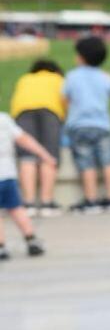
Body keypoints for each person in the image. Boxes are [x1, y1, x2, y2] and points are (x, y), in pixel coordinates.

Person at [62, 35, 110, 213]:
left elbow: (63, 98)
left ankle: (91, 200)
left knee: (86, 163)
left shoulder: (72, 76)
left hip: (79, 126)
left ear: (81, 57)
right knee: (108, 161)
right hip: (102, 125)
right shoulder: (104, 76)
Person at [10, 59, 66, 216]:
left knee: (27, 157)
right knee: (49, 156)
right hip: (50, 112)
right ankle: (47, 202)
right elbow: (65, 101)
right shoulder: (58, 78)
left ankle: (28, 203)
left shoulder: (25, 79)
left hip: (23, 113)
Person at [0, 109, 56, 259]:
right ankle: (31, 239)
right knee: (16, 208)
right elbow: (24, 139)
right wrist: (45, 155)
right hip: (7, 174)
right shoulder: (4, 119)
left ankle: (1, 247)